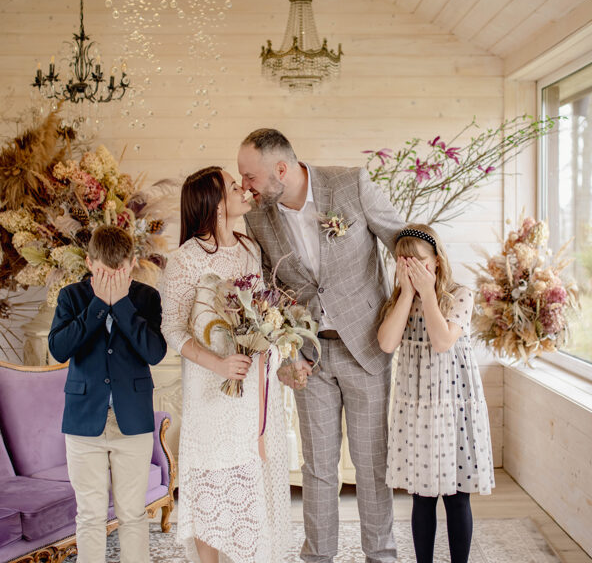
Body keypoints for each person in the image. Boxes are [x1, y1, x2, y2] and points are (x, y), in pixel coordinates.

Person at [239, 128, 404, 563]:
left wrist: (424, 295)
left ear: (281, 169)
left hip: (366, 349)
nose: (245, 187)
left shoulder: (351, 185)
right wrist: (288, 354)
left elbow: (402, 241)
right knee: (317, 468)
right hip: (308, 357)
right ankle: (317, 557)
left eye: (250, 177)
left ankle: (381, 556)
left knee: (371, 465)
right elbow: (271, 292)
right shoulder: (258, 218)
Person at [160, 166, 291, 563]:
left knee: (249, 487)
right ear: (216, 205)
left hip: (252, 390)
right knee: (212, 489)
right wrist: (217, 365)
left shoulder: (250, 249)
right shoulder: (185, 259)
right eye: (234, 187)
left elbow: (261, 312)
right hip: (211, 393)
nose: (243, 190)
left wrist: (272, 341)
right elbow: (172, 329)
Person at [48, 225, 167, 563]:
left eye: (120, 272)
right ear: (89, 263)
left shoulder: (146, 298)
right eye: (103, 273)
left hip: (133, 420)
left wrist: (123, 306)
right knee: (89, 516)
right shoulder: (71, 296)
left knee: (132, 514)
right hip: (84, 421)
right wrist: (99, 304)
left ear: (132, 263)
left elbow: (154, 352)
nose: (113, 279)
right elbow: (59, 349)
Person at [378, 223, 495, 563]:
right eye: (404, 262)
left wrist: (428, 294)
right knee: (422, 497)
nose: (411, 269)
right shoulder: (399, 300)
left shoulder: (460, 295)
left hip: (454, 406)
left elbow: (443, 341)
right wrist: (407, 294)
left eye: (419, 262)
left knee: (457, 497)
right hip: (418, 410)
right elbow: (386, 343)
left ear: (437, 261)